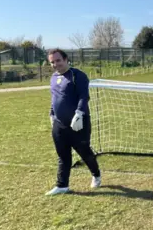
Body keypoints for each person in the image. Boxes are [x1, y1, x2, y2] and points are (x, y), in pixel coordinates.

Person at [45, 48, 102, 195]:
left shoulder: (78, 75)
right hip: (59, 124)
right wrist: (52, 114)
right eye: (52, 62)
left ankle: (96, 175)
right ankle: (62, 185)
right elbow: (54, 98)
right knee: (63, 155)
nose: (56, 64)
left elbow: (84, 96)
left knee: (85, 152)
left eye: (58, 60)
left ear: (66, 59)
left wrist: (79, 113)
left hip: (78, 122)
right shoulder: (53, 78)